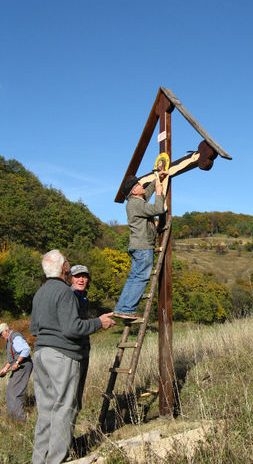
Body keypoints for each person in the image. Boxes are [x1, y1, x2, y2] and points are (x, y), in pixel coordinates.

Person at [30, 249, 115, 464]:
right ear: (64, 268)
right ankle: (57, 459)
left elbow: (33, 328)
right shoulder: (65, 292)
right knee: (64, 408)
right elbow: (72, 328)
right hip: (62, 355)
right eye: (67, 262)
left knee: (46, 410)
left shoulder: (40, 293)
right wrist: (99, 323)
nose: (69, 265)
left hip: (40, 354)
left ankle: (39, 459)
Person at [113, 174, 166, 320]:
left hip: (138, 246)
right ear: (133, 191)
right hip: (143, 247)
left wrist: (157, 179)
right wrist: (159, 190)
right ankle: (128, 309)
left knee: (134, 277)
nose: (141, 185)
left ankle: (122, 308)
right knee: (141, 278)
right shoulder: (136, 204)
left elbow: (147, 193)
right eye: (137, 184)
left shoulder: (135, 202)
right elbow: (158, 208)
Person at [0, 323, 33, 422]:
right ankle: (13, 418)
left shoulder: (15, 337)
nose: (1, 337)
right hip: (19, 366)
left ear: (6, 331)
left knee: (15, 392)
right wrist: (5, 369)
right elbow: (11, 360)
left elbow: (26, 350)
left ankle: (20, 420)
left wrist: (17, 362)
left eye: (1, 334)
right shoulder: (9, 340)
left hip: (23, 365)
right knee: (10, 391)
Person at [70, 264, 91, 411]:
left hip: (84, 349)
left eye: (84, 276)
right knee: (70, 391)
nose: (81, 279)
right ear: (70, 279)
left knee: (78, 390)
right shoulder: (69, 296)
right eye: (77, 276)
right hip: (72, 351)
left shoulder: (83, 297)